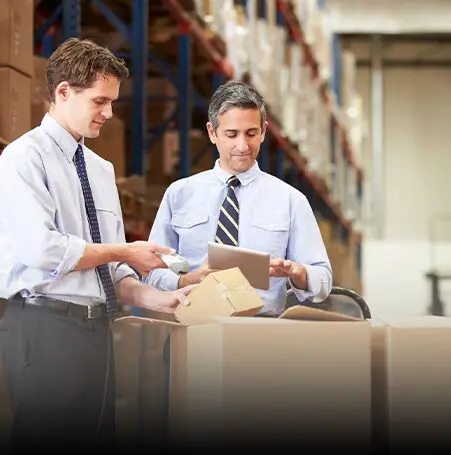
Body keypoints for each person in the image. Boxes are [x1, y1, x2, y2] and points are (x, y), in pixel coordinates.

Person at [0, 38, 193, 454]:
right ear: (63, 92)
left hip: (97, 329)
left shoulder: (102, 171)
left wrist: (161, 298)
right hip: (45, 325)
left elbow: (111, 269)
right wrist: (125, 251)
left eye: (112, 103)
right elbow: (43, 252)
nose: (108, 113)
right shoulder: (23, 160)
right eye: (99, 101)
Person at [146, 80, 332, 317]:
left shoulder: (290, 200)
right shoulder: (179, 194)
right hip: (193, 326)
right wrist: (185, 281)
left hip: (262, 333)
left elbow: (323, 279)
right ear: (212, 133)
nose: (242, 145)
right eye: (231, 134)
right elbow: (152, 271)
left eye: (251, 133)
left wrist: (298, 272)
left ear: (264, 131)